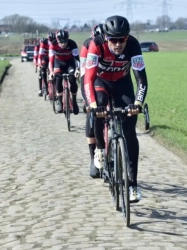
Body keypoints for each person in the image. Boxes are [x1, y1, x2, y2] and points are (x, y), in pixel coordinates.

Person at [84, 15, 148, 202]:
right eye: (114, 39)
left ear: (127, 37)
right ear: (106, 37)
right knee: (100, 106)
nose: (118, 44)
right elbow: (87, 79)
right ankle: (100, 149)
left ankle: (133, 185)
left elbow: (141, 79)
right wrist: (93, 105)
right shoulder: (96, 45)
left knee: (129, 132)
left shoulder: (133, 45)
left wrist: (137, 103)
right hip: (100, 82)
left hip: (122, 83)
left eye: (122, 39)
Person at [79, 24, 105, 178]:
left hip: (109, 80)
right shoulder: (88, 45)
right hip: (92, 79)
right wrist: (88, 100)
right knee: (92, 116)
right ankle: (92, 157)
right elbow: (84, 75)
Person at [48, 29, 80, 114]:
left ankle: (74, 101)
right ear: (57, 40)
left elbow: (76, 59)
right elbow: (51, 60)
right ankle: (59, 102)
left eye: (65, 41)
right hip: (58, 63)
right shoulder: (53, 45)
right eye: (61, 42)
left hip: (70, 63)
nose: (63, 44)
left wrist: (77, 69)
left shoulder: (72, 44)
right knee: (58, 80)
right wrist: (51, 71)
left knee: (72, 79)